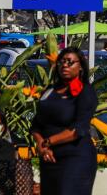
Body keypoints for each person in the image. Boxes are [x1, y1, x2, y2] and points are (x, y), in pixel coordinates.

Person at [31, 47, 98, 195]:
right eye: (62, 62)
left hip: (75, 159)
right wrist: (41, 146)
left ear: (80, 67)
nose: (65, 65)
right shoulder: (50, 90)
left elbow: (78, 129)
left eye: (70, 62)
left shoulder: (85, 91)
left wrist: (48, 142)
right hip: (49, 158)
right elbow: (36, 124)